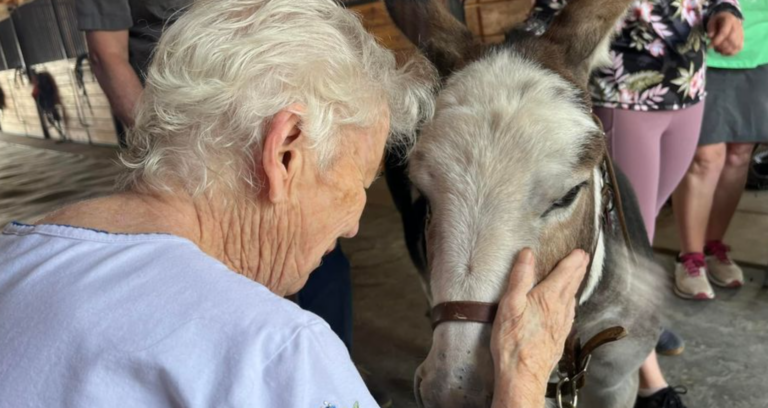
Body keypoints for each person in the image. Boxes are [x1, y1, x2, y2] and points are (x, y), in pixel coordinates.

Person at [0, 0, 590, 406]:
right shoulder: (277, 354)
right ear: (284, 152)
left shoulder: (14, 251)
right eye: (358, 184)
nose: (359, 224)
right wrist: (522, 383)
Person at [77, 0, 357, 384]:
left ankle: (328, 379)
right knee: (203, 267)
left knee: (315, 252)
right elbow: (106, 56)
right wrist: (169, 142)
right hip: (182, 133)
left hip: (266, 116)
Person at [589, 0, 744, 406]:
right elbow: (551, 12)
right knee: (629, 234)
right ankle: (648, 378)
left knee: (647, 221)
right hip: (623, 92)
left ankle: (638, 324)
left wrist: (728, 12)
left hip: (687, 88)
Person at [672, 0, 768, 299]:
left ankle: (715, 247)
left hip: (760, 44)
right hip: (700, 41)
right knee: (705, 157)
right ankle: (690, 255)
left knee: (740, 154)